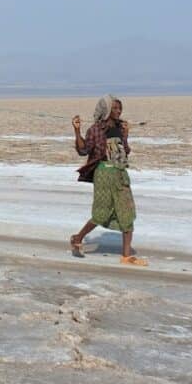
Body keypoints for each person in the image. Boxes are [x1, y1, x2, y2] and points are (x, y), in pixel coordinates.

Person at [70, 95, 147, 266]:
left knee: (127, 211)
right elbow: (83, 151)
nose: (118, 111)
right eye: (114, 108)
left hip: (120, 173)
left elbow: (124, 152)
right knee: (101, 213)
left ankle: (126, 256)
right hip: (104, 174)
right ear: (106, 110)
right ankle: (77, 238)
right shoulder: (95, 129)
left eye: (120, 108)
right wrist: (77, 130)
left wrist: (125, 135)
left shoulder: (121, 128)